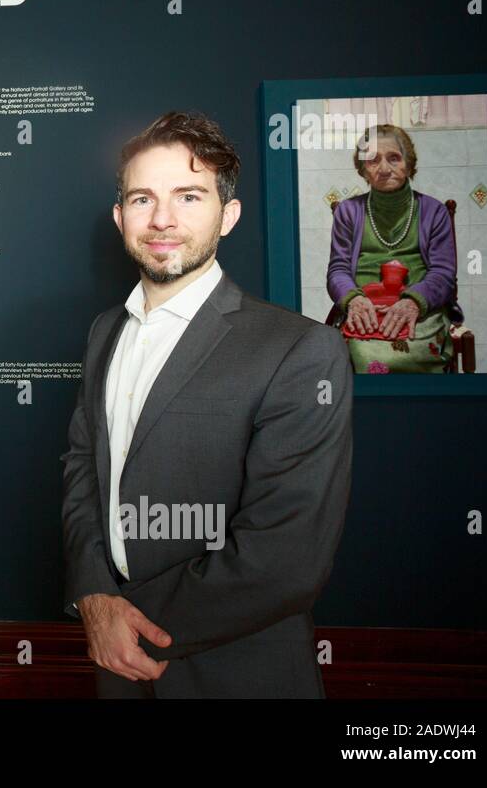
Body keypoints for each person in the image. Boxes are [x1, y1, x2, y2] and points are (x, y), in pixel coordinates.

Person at [61, 110, 353, 698]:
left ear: (228, 216)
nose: (162, 219)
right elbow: (81, 470)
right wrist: (94, 597)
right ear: (120, 218)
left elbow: (286, 555)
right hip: (115, 667)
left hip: (237, 672)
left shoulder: (301, 349)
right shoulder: (103, 333)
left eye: (189, 196)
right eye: (142, 199)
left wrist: (128, 622)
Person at [326, 123, 462, 374]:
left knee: (403, 356)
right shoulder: (348, 211)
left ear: (408, 164)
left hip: (421, 310)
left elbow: (443, 274)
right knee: (363, 354)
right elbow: (337, 271)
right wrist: (355, 300)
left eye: (394, 158)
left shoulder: (434, 211)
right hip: (365, 309)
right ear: (363, 169)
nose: (384, 169)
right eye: (373, 160)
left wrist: (412, 303)